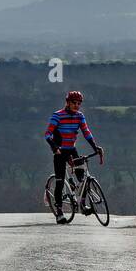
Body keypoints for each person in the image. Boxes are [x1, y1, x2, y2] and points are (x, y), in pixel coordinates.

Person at [44, 90, 102, 224]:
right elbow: (47, 134)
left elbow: (87, 133)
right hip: (59, 151)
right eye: (74, 103)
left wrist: (95, 147)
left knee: (82, 177)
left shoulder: (80, 116)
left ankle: (82, 204)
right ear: (67, 103)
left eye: (79, 103)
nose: (76, 105)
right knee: (59, 180)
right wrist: (54, 147)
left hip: (71, 150)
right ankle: (59, 212)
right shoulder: (57, 116)